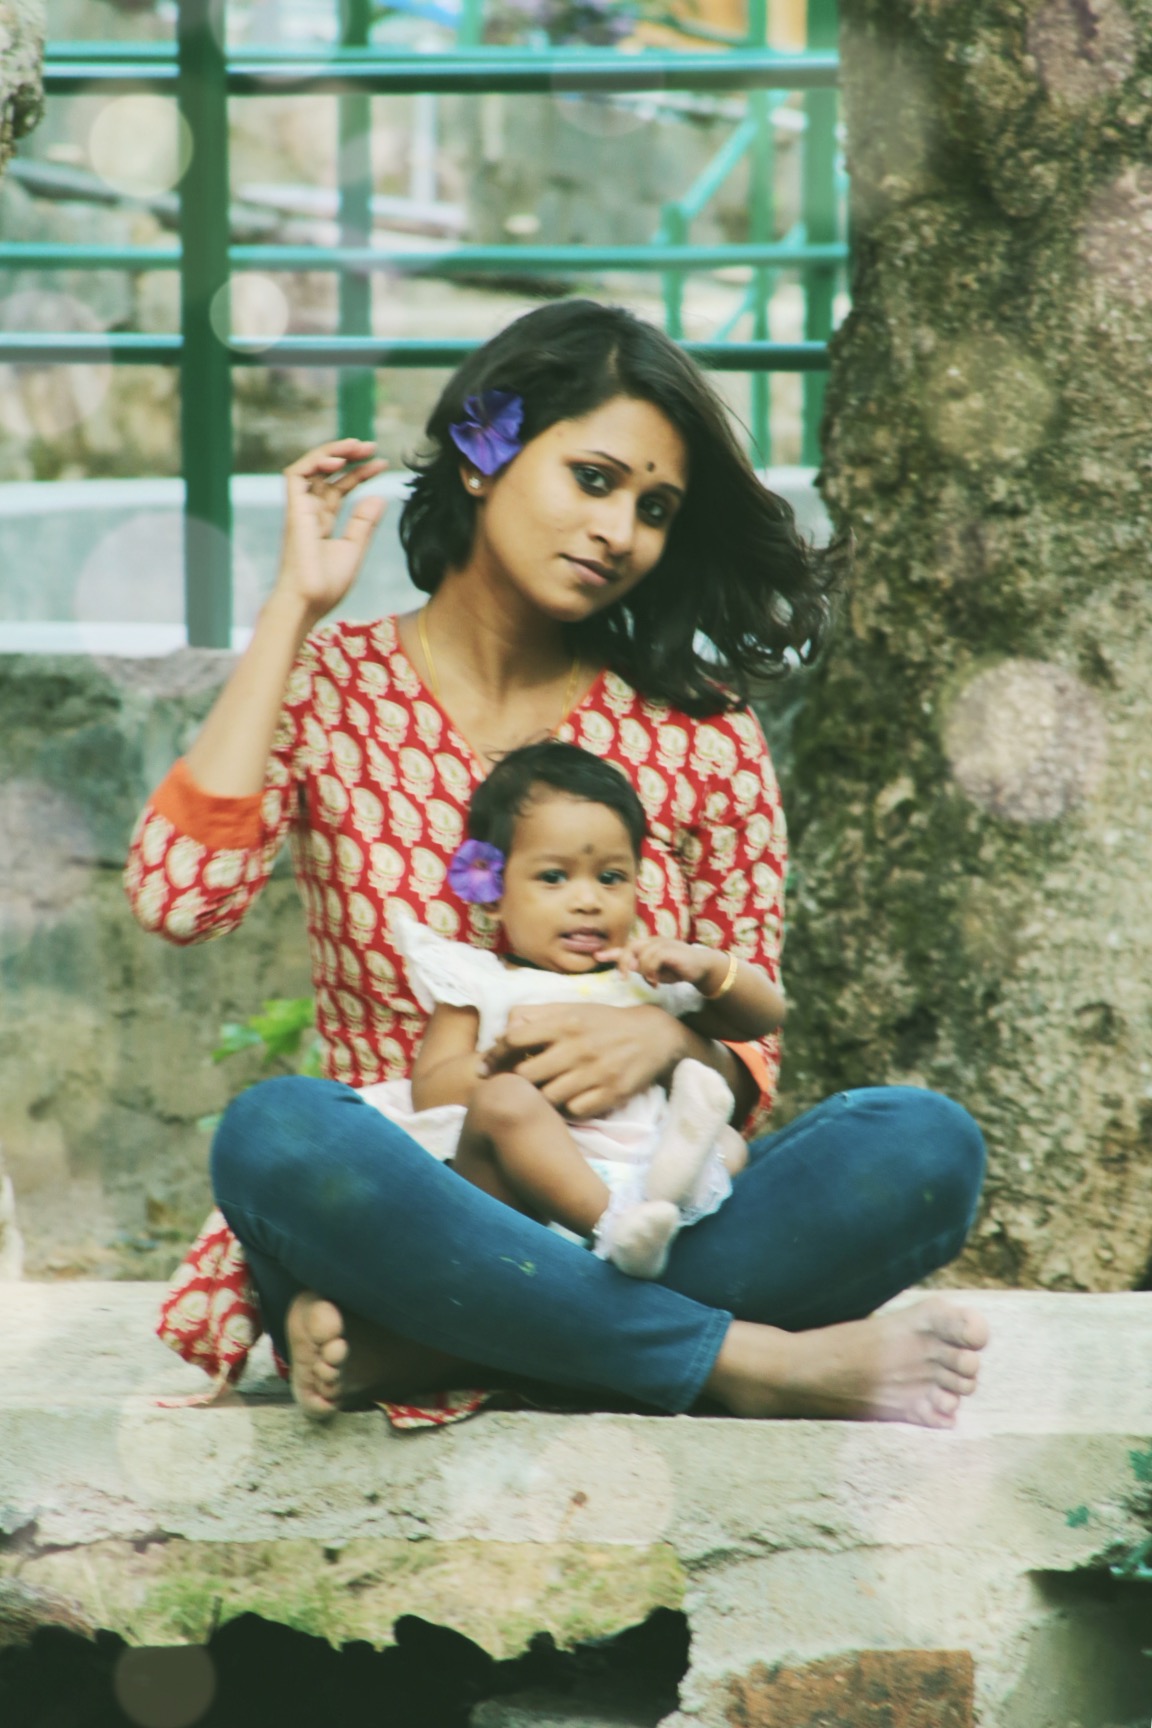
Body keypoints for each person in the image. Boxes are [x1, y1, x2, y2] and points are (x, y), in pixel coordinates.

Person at [125, 297, 989, 1429]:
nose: (621, 530)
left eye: (654, 508)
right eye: (594, 479)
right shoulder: (333, 687)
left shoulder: (700, 732)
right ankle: (741, 1362)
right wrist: (292, 610)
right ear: (482, 453)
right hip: (404, 1219)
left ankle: (426, 1349)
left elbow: (752, 1050)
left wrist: (673, 1040)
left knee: (922, 1148)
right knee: (277, 1134)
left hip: (631, 1203)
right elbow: (176, 898)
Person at [362, 739, 786, 1278]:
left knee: (725, 1141)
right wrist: (510, 1063)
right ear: (493, 895)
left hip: (643, 1178)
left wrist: (708, 967)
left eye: (611, 878)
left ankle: (649, 1222)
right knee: (503, 1102)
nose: (588, 900)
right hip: (523, 1200)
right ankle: (617, 1231)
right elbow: (431, 1091)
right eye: (554, 877)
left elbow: (762, 1019)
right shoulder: (480, 981)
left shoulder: (643, 979)